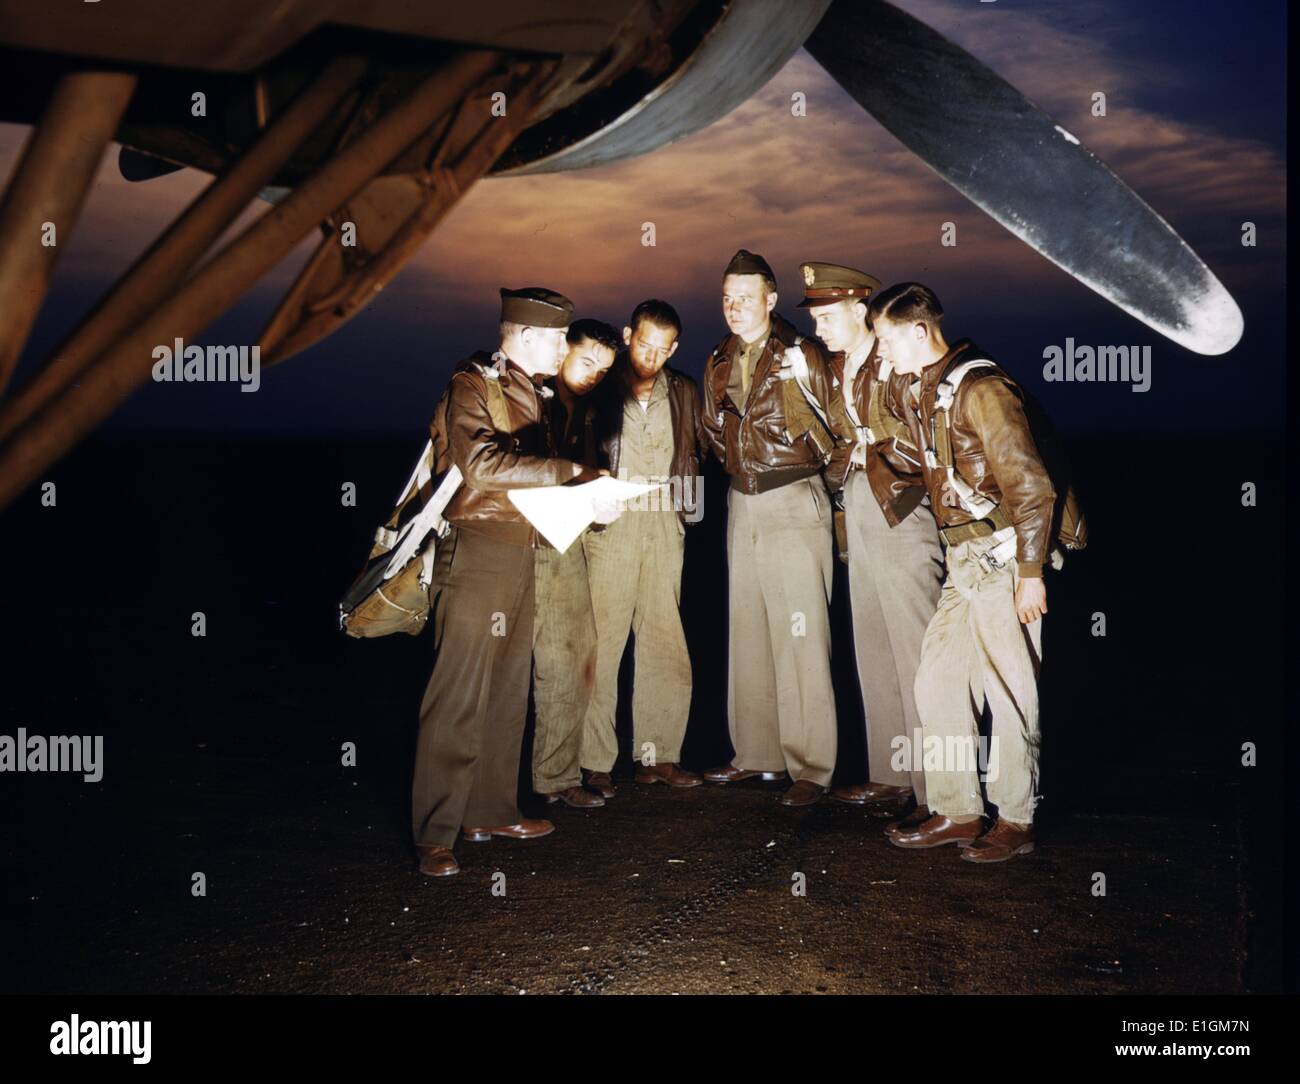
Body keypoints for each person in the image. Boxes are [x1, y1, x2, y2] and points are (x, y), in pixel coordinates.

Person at [869, 282, 1083, 862]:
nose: (880, 352)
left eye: (886, 340)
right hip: (964, 560)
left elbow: (1031, 486)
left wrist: (1031, 572)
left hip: (1005, 555)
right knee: (936, 681)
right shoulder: (926, 390)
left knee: (1010, 692)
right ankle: (958, 809)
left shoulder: (981, 388)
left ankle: (1015, 818)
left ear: (919, 332)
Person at [411, 287, 597, 878]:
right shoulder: (473, 383)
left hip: (521, 549)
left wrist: (587, 497)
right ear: (521, 336)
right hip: (476, 550)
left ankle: (489, 810)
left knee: (508, 687)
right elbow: (482, 467)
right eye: (557, 336)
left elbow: (528, 480)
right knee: (458, 692)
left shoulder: (534, 392)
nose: (565, 347)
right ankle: (434, 831)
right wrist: (571, 472)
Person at [798, 262, 943, 823]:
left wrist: (871, 452)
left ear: (861, 310)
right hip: (859, 506)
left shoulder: (894, 362)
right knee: (874, 643)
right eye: (814, 318)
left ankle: (939, 792)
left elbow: (926, 434)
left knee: (915, 649)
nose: (820, 329)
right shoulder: (838, 367)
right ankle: (892, 773)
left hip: (902, 508)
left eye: (828, 317)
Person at [699, 250, 843, 807]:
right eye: (727, 298)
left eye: (745, 296)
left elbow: (835, 428)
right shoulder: (718, 357)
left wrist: (810, 486)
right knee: (749, 628)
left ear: (771, 299)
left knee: (801, 635)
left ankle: (812, 766)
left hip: (791, 496)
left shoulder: (800, 353)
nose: (734, 308)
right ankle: (756, 755)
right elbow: (715, 434)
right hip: (742, 500)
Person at [580, 300, 704, 795]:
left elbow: (698, 449)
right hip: (612, 518)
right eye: (643, 344)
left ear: (673, 348)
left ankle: (657, 756)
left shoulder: (684, 390)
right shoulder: (601, 386)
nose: (650, 356)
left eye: (662, 348)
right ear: (629, 334)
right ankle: (593, 762)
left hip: (665, 518)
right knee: (602, 639)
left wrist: (687, 511)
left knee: (663, 637)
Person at [531, 318, 620, 809]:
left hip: (562, 543)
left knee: (572, 658)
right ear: (562, 349)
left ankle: (555, 778)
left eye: (603, 370)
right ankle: (484, 796)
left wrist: (600, 507)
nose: (592, 374)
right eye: (586, 361)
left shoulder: (587, 411)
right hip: (514, 544)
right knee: (499, 669)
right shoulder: (529, 394)